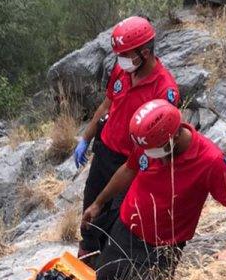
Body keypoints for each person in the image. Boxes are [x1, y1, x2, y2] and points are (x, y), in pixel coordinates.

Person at [83, 99, 226, 280]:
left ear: (172, 138)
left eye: (155, 152)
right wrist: (98, 202)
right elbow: (128, 169)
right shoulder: (149, 139)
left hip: (161, 250)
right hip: (124, 232)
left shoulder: (211, 162)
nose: (152, 158)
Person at [74, 16, 181, 261]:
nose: (120, 60)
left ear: (144, 52)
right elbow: (106, 104)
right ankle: (85, 258)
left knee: (117, 221)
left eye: (126, 54)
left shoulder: (164, 90)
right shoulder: (124, 69)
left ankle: (105, 271)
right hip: (104, 153)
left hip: (131, 165)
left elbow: (157, 142)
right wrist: (86, 138)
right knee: (90, 211)